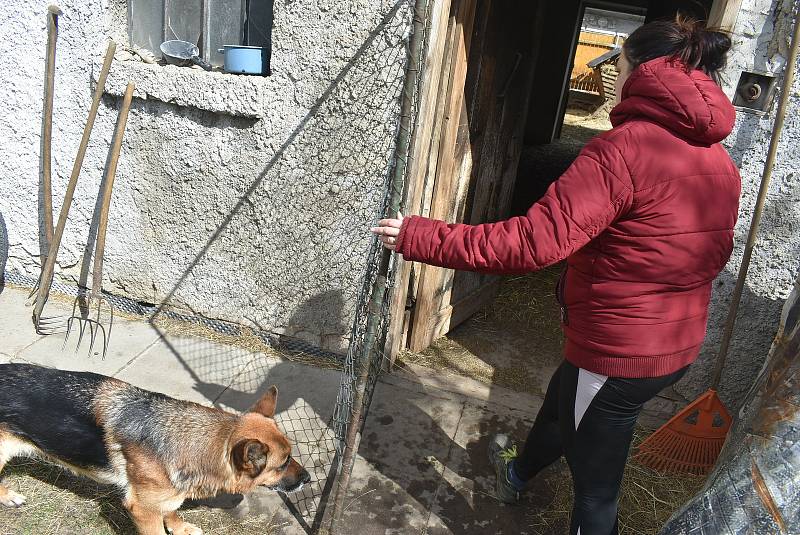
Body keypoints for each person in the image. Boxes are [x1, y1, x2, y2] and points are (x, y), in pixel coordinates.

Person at [371, 16, 740, 535]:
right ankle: (518, 472)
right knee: (563, 401)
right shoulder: (717, 158)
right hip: (675, 342)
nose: (614, 75)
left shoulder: (624, 150)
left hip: (621, 351)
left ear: (638, 69)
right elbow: (710, 255)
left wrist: (421, 236)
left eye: (620, 64)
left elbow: (529, 245)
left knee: (596, 488)